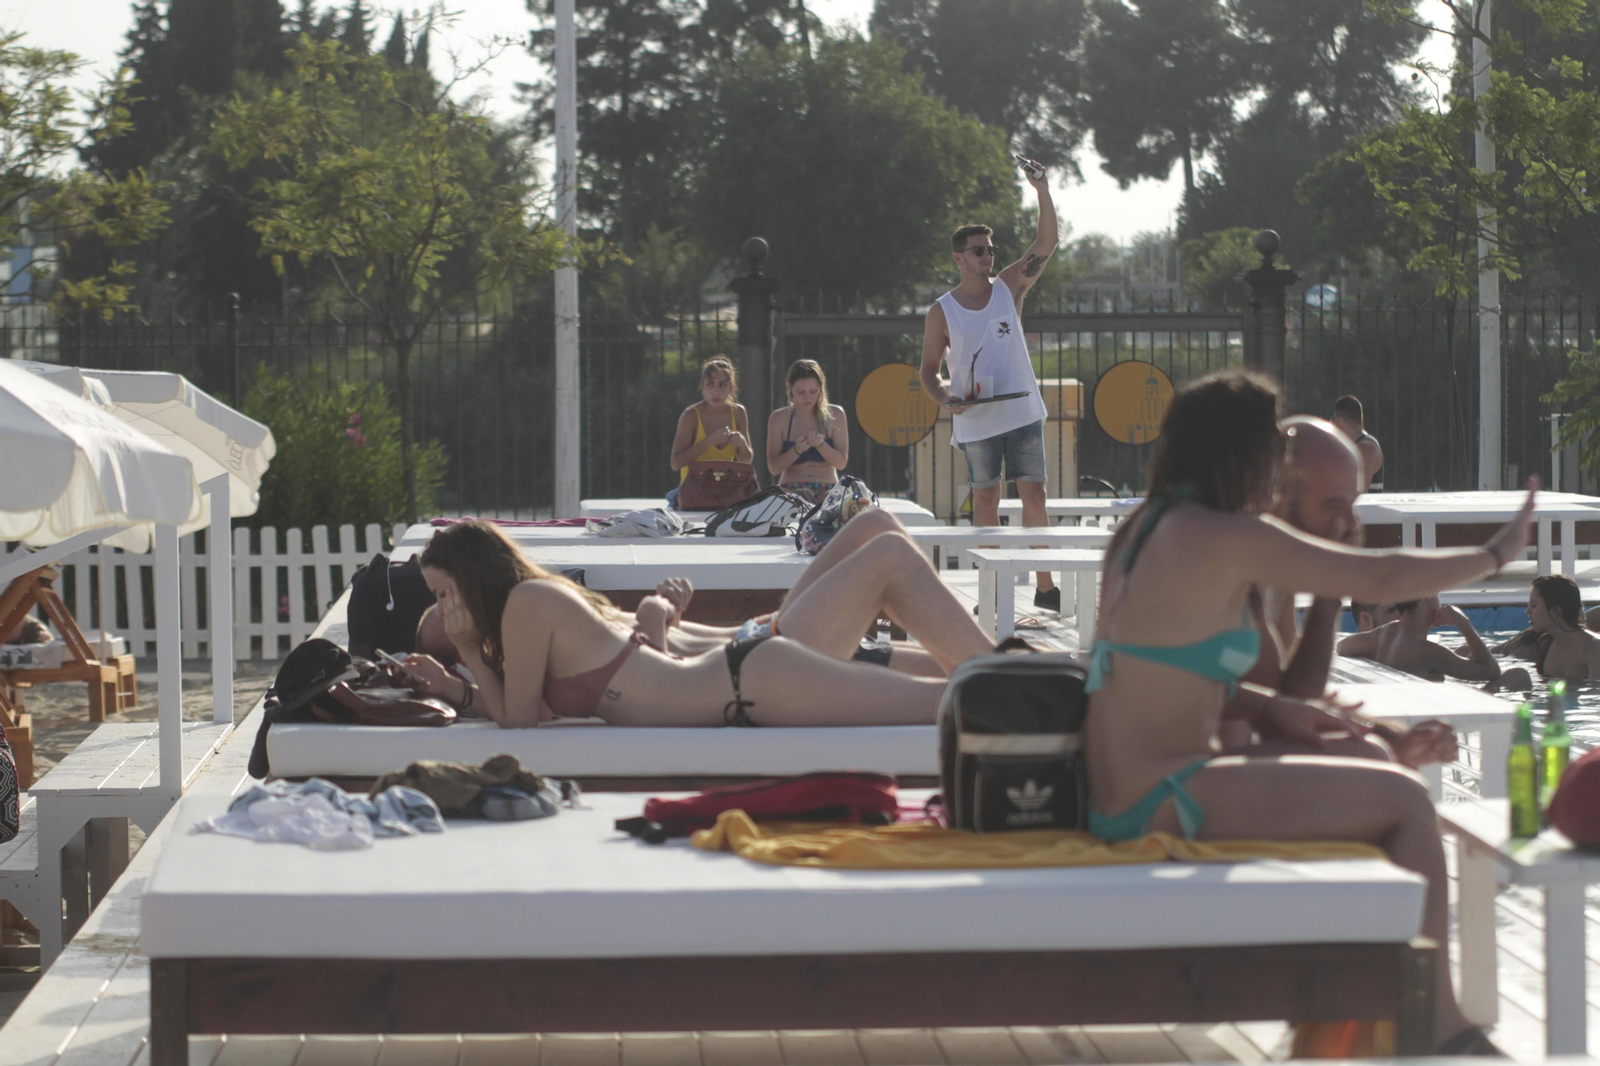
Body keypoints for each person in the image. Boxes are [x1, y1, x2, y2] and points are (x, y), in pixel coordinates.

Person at [1085, 367, 1535, 1054]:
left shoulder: (1145, 527)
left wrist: (1275, 710)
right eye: (1270, 449)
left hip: (1136, 787)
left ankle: (1346, 1026)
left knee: (1371, 766)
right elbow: (1378, 578)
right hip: (1161, 796)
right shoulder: (1216, 534)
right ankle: (1437, 1030)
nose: (1276, 465)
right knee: (1404, 803)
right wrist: (1497, 554)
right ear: (1238, 452)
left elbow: (1151, 672)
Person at [399, 518, 998, 729]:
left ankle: (1021, 683)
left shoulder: (527, 607)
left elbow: (521, 720)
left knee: (885, 550)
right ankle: (1027, 680)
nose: (447, 610)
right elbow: (524, 706)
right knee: (961, 692)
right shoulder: (536, 613)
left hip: (748, 673)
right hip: (747, 669)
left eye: (445, 593)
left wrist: (466, 651)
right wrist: (458, 684)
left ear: (473, 579)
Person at [1222, 416, 1455, 769]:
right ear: (1279, 497)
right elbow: (1283, 709)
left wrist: (1390, 735)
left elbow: (1294, 696)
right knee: (1384, 770)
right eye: (1333, 506)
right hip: (1195, 788)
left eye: (1353, 504)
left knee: (1387, 759)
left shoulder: (1274, 571)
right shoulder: (1235, 567)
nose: (1350, 524)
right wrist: (1331, 585)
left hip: (1232, 769)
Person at [919, 157, 1060, 610]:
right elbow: (927, 369)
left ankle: (1045, 587)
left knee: (1034, 494)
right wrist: (945, 398)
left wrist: (1041, 188)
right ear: (958, 257)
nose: (987, 257)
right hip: (977, 418)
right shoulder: (942, 310)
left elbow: (1047, 242)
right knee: (985, 501)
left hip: (1020, 410)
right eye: (978, 251)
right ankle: (993, 593)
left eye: (990, 250)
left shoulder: (1008, 286)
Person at [668, 356, 753, 508]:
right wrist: (708, 442)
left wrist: (742, 444)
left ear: (731, 388)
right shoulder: (691, 415)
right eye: (710, 384)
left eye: (722, 385)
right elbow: (676, 463)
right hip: (694, 491)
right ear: (702, 386)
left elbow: (746, 460)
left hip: (727, 489)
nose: (716, 391)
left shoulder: (738, 412)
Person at [767, 359, 849, 506]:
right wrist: (797, 450)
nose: (807, 397)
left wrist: (821, 445)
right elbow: (774, 468)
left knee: (835, 503)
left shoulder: (835, 415)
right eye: (801, 392)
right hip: (791, 487)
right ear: (789, 387)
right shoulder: (779, 418)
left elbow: (841, 463)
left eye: (813, 391)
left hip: (827, 486)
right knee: (788, 501)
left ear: (820, 388)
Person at [1499, 574, 1600, 681]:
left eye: (1534, 605)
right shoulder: (1545, 644)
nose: (1527, 611)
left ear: (1556, 611)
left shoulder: (1594, 649)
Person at [1331, 394, 1383, 491]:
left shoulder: (1365, 448)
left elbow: (1357, 493)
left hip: (1361, 507)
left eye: (1333, 419)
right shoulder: (1363, 446)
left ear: (1337, 419)